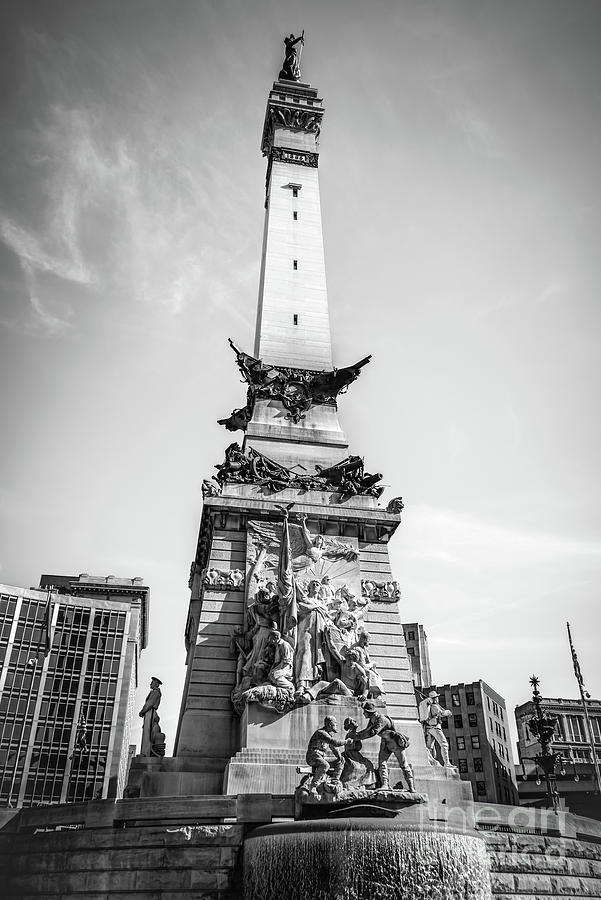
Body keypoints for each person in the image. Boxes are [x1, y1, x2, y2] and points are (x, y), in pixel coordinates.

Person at [354, 701, 414, 791]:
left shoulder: (381, 719)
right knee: (382, 762)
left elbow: (372, 732)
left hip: (395, 743)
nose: (363, 714)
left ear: (369, 712)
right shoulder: (373, 719)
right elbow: (367, 730)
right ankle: (385, 785)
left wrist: (357, 737)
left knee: (403, 764)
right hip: (385, 742)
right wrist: (356, 735)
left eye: (364, 712)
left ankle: (411, 787)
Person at [305, 715, 344, 796]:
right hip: (313, 757)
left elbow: (334, 748)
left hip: (321, 757)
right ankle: (313, 786)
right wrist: (346, 741)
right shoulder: (321, 733)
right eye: (335, 723)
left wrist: (339, 756)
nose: (336, 725)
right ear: (330, 724)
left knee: (340, 762)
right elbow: (335, 743)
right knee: (325, 765)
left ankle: (334, 781)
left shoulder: (328, 735)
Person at [418, 689, 452, 766]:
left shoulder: (429, 706)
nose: (437, 698)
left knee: (429, 747)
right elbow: (441, 714)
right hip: (435, 728)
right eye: (436, 697)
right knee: (444, 744)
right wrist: (448, 712)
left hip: (429, 729)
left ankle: (430, 762)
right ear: (434, 698)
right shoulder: (434, 706)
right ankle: (447, 763)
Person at [139, 677, 165, 757]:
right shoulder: (154, 692)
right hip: (149, 712)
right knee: (147, 731)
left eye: (152, 682)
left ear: (156, 684)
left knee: (147, 732)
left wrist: (142, 711)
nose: (150, 684)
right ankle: (145, 752)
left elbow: (150, 703)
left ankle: (145, 753)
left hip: (150, 712)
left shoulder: (155, 692)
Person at [267, 628, 295, 693]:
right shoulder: (277, 646)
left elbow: (286, 661)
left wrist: (276, 669)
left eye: (271, 639)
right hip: (280, 666)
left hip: (286, 667)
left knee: (275, 675)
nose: (270, 641)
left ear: (276, 638)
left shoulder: (284, 645)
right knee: (270, 675)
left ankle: (290, 686)